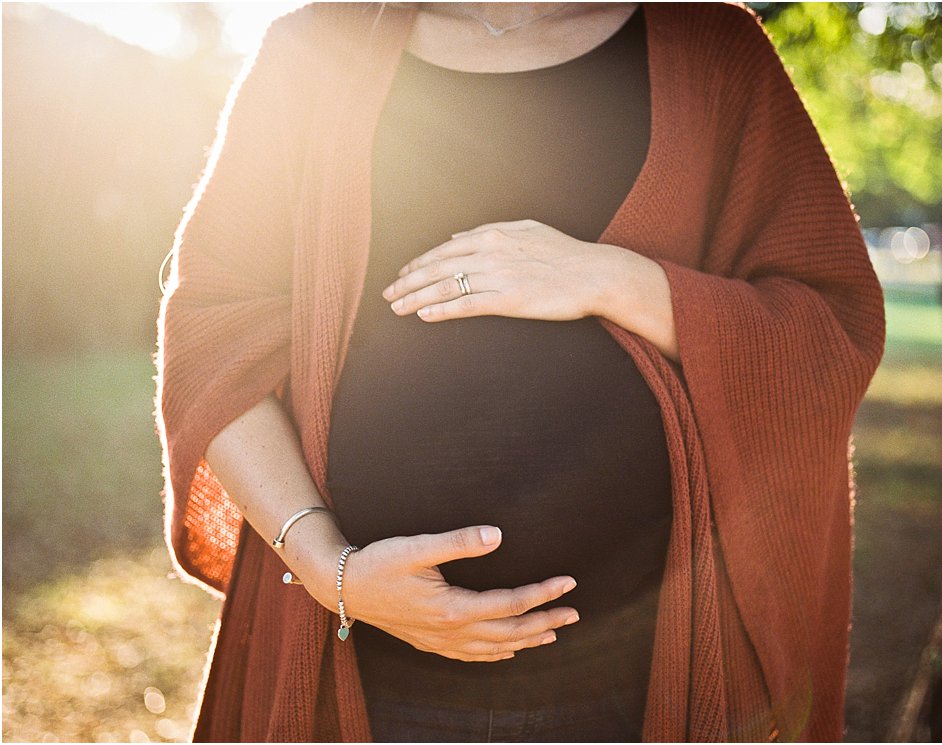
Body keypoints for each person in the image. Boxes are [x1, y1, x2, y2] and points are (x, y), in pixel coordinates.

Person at [156, 3, 885, 742]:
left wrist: (613, 279)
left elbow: (829, 330)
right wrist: (328, 568)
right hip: (363, 669)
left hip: (639, 675)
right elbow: (215, 336)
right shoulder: (314, 48)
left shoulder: (711, 48)